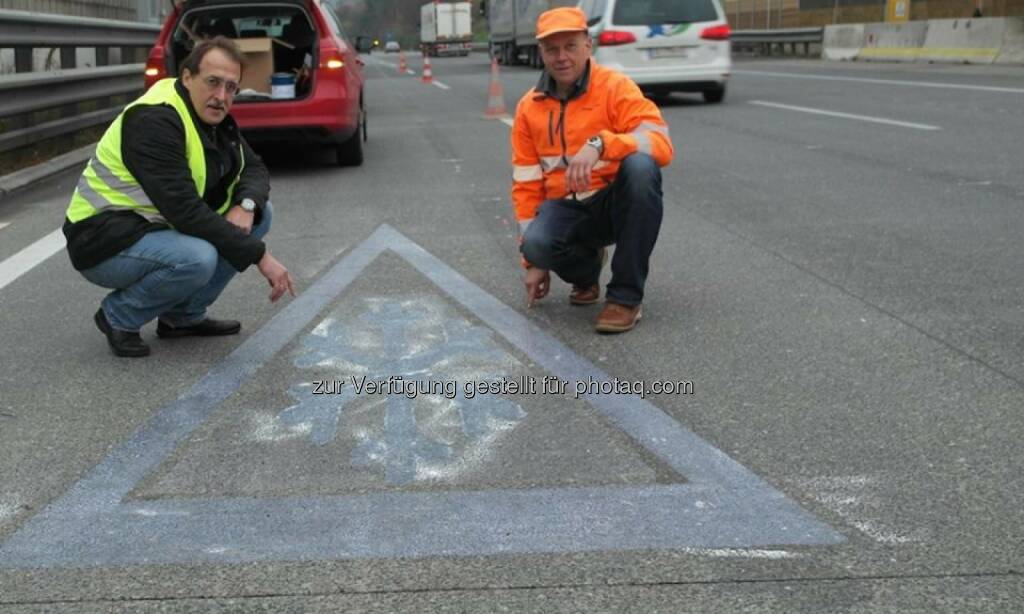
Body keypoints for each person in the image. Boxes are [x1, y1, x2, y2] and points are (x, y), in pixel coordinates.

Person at [63, 37, 295, 358]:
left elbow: (253, 168)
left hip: (150, 228)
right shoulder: (155, 120)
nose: (221, 96)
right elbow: (185, 212)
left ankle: (182, 318)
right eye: (213, 82)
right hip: (103, 239)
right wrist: (261, 257)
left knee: (261, 212)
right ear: (187, 77)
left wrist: (246, 205)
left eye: (231, 88)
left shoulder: (211, 116)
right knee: (197, 257)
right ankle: (119, 315)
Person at [512, 7, 673, 333]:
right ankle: (586, 273)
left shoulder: (615, 88)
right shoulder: (529, 108)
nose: (562, 57)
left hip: (612, 205)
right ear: (541, 52)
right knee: (536, 243)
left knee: (641, 168)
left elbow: (660, 144)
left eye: (570, 46)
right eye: (552, 49)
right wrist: (534, 263)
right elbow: (526, 184)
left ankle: (625, 298)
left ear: (588, 45)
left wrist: (603, 144)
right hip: (567, 210)